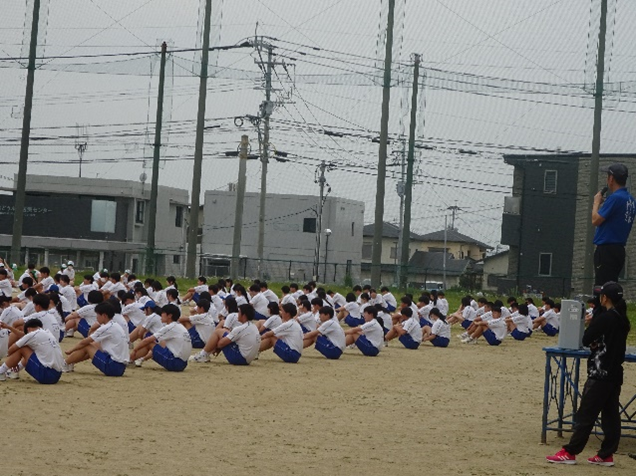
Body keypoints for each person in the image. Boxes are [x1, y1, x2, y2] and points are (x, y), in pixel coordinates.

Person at [546, 282, 631, 467]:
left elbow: (586, 338)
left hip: (600, 373)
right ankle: (606, 454)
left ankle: (570, 451)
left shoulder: (604, 318)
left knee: (586, 414)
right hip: (615, 373)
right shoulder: (623, 319)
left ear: (604, 298)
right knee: (610, 415)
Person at [592, 163, 636, 286]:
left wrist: (596, 203)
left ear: (611, 178)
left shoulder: (615, 198)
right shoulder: (631, 200)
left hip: (607, 250)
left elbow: (595, 220)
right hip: (619, 249)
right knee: (611, 286)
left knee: (602, 288)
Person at [63, 302, 129, 376]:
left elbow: (85, 342)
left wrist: (71, 350)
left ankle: (65, 363)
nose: (96, 317)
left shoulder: (107, 327)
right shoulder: (115, 325)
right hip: (120, 367)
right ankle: (70, 362)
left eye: (97, 315)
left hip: (112, 366)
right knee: (94, 345)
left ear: (104, 316)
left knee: (87, 346)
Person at [189, 304, 260, 365]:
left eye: (239, 312)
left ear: (244, 315)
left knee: (218, 332)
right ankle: (204, 354)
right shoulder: (253, 327)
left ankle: (203, 355)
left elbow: (221, 344)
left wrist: (215, 346)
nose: (238, 314)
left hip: (239, 358)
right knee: (224, 333)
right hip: (247, 359)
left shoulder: (241, 328)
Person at [0, 318, 64, 384]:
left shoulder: (32, 335)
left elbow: (10, 351)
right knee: (30, 348)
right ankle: (14, 371)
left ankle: (1, 371)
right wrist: (9, 327)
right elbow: (24, 335)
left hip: (46, 375)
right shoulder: (47, 333)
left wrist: (14, 361)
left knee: (23, 348)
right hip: (56, 375)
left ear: (28, 329)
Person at [130, 304, 192, 371]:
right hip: (183, 363)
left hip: (174, 362)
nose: (161, 315)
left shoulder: (170, 327)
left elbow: (147, 341)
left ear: (169, 316)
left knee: (149, 343)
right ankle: (136, 359)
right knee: (159, 343)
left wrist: (135, 350)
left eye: (163, 313)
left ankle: (130, 360)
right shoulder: (179, 326)